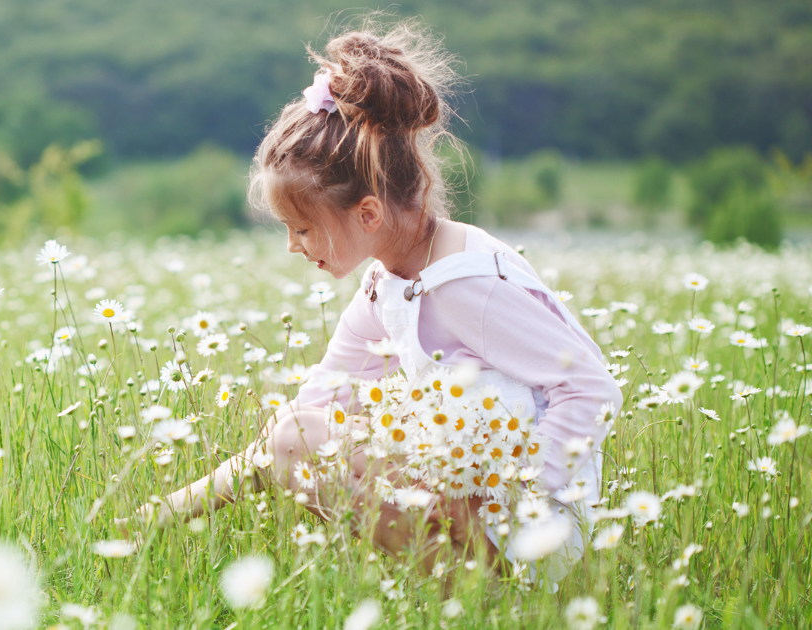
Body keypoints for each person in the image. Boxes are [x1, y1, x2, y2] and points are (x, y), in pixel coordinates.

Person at [119, 18, 623, 582]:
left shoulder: (466, 284)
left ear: (367, 213)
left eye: (302, 228)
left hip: (531, 525)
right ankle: (462, 592)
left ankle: (497, 599)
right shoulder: (389, 283)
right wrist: (168, 509)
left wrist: (523, 498)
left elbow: (591, 388)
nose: (292, 246)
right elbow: (310, 414)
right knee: (299, 438)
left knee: (302, 443)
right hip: (478, 502)